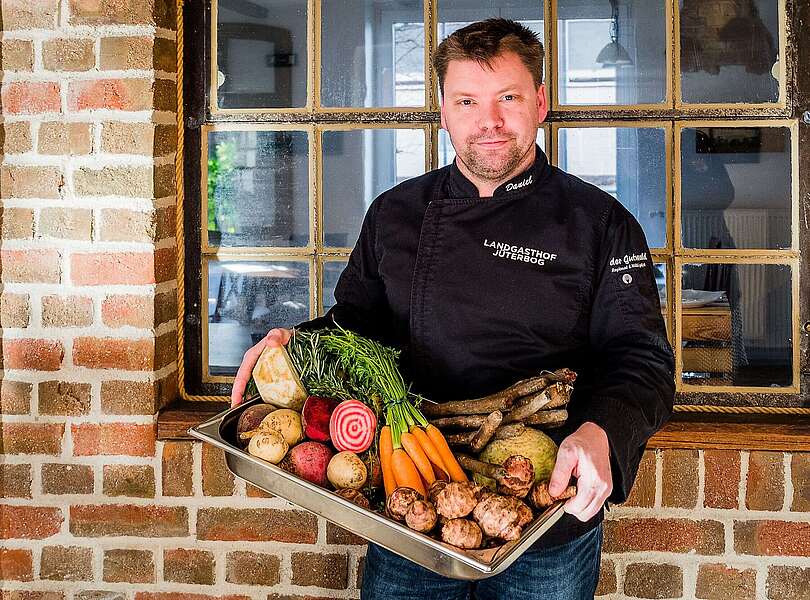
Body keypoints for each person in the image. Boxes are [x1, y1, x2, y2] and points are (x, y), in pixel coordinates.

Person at [231, 19, 674, 600]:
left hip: (542, 511)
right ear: (444, 111)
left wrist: (602, 431)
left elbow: (641, 356)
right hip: (410, 499)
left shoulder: (600, 221)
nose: (487, 121)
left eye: (508, 98)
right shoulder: (395, 213)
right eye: (467, 101)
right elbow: (357, 322)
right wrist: (297, 341)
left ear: (539, 102)